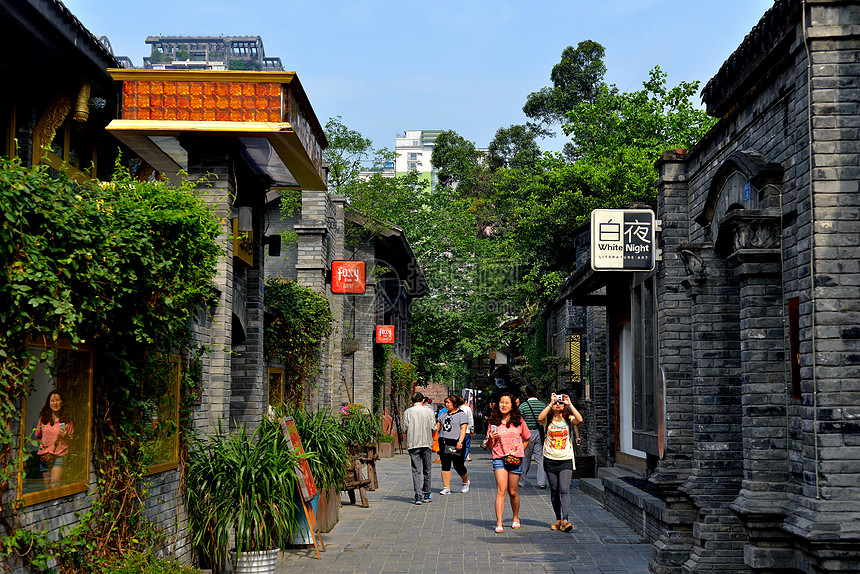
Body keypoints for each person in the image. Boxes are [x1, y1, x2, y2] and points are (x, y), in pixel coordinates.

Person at [484, 392, 530, 533]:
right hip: (499, 458)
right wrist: (491, 438)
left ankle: (515, 517)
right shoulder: (493, 422)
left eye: (507, 403)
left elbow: (527, 438)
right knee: (501, 490)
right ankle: (499, 522)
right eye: (501, 402)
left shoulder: (519, 421)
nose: (503, 405)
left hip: (515, 459)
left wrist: (519, 451)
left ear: (512, 405)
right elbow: (490, 446)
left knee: (513, 491)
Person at [538, 391, 583, 532]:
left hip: (566, 459)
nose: (558, 404)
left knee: (564, 489)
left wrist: (570, 404)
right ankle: (558, 519)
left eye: (560, 403)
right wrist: (550, 404)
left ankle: (565, 520)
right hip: (550, 459)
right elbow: (540, 418)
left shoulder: (568, 418)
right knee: (554, 490)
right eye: (556, 402)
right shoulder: (548, 420)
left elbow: (579, 420)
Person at [35, 390, 73, 488]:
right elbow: (38, 436)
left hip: (59, 455)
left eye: (57, 400)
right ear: (49, 403)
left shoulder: (67, 421)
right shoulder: (43, 419)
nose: (55, 403)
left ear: (62, 402)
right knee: (47, 489)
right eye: (52, 400)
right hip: (45, 456)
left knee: (54, 486)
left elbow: (72, 442)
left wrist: (66, 436)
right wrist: (43, 447)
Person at [403, 392, 436, 504]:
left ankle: (418, 496)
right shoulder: (429, 411)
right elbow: (434, 427)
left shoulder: (408, 412)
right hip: (426, 443)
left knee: (416, 471)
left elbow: (404, 428)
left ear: (412, 401)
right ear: (422, 400)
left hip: (413, 444)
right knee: (427, 469)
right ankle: (427, 493)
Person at [436, 395, 470, 495]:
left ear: (455, 404)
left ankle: (465, 482)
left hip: (456, 442)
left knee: (458, 465)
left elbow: (463, 429)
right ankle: (446, 487)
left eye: (448, 402)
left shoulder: (461, 414)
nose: (446, 404)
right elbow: (438, 427)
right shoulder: (443, 414)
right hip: (444, 442)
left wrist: (460, 441)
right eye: (445, 402)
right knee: (445, 465)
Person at [518, 384, 547, 488]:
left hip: (526, 434)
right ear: (537, 392)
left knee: (525, 458)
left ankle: (522, 482)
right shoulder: (542, 406)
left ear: (526, 394)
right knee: (540, 459)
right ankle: (542, 482)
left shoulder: (523, 406)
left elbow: (520, 421)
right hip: (539, 433)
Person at [459, 396, 475, 462]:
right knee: (467, 445)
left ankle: (460, 457)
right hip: (467, 430)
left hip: (459, 431)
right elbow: (470, 419)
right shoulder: (467, 408)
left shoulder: (457, 408)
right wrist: (472, 429)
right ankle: (464, 457)